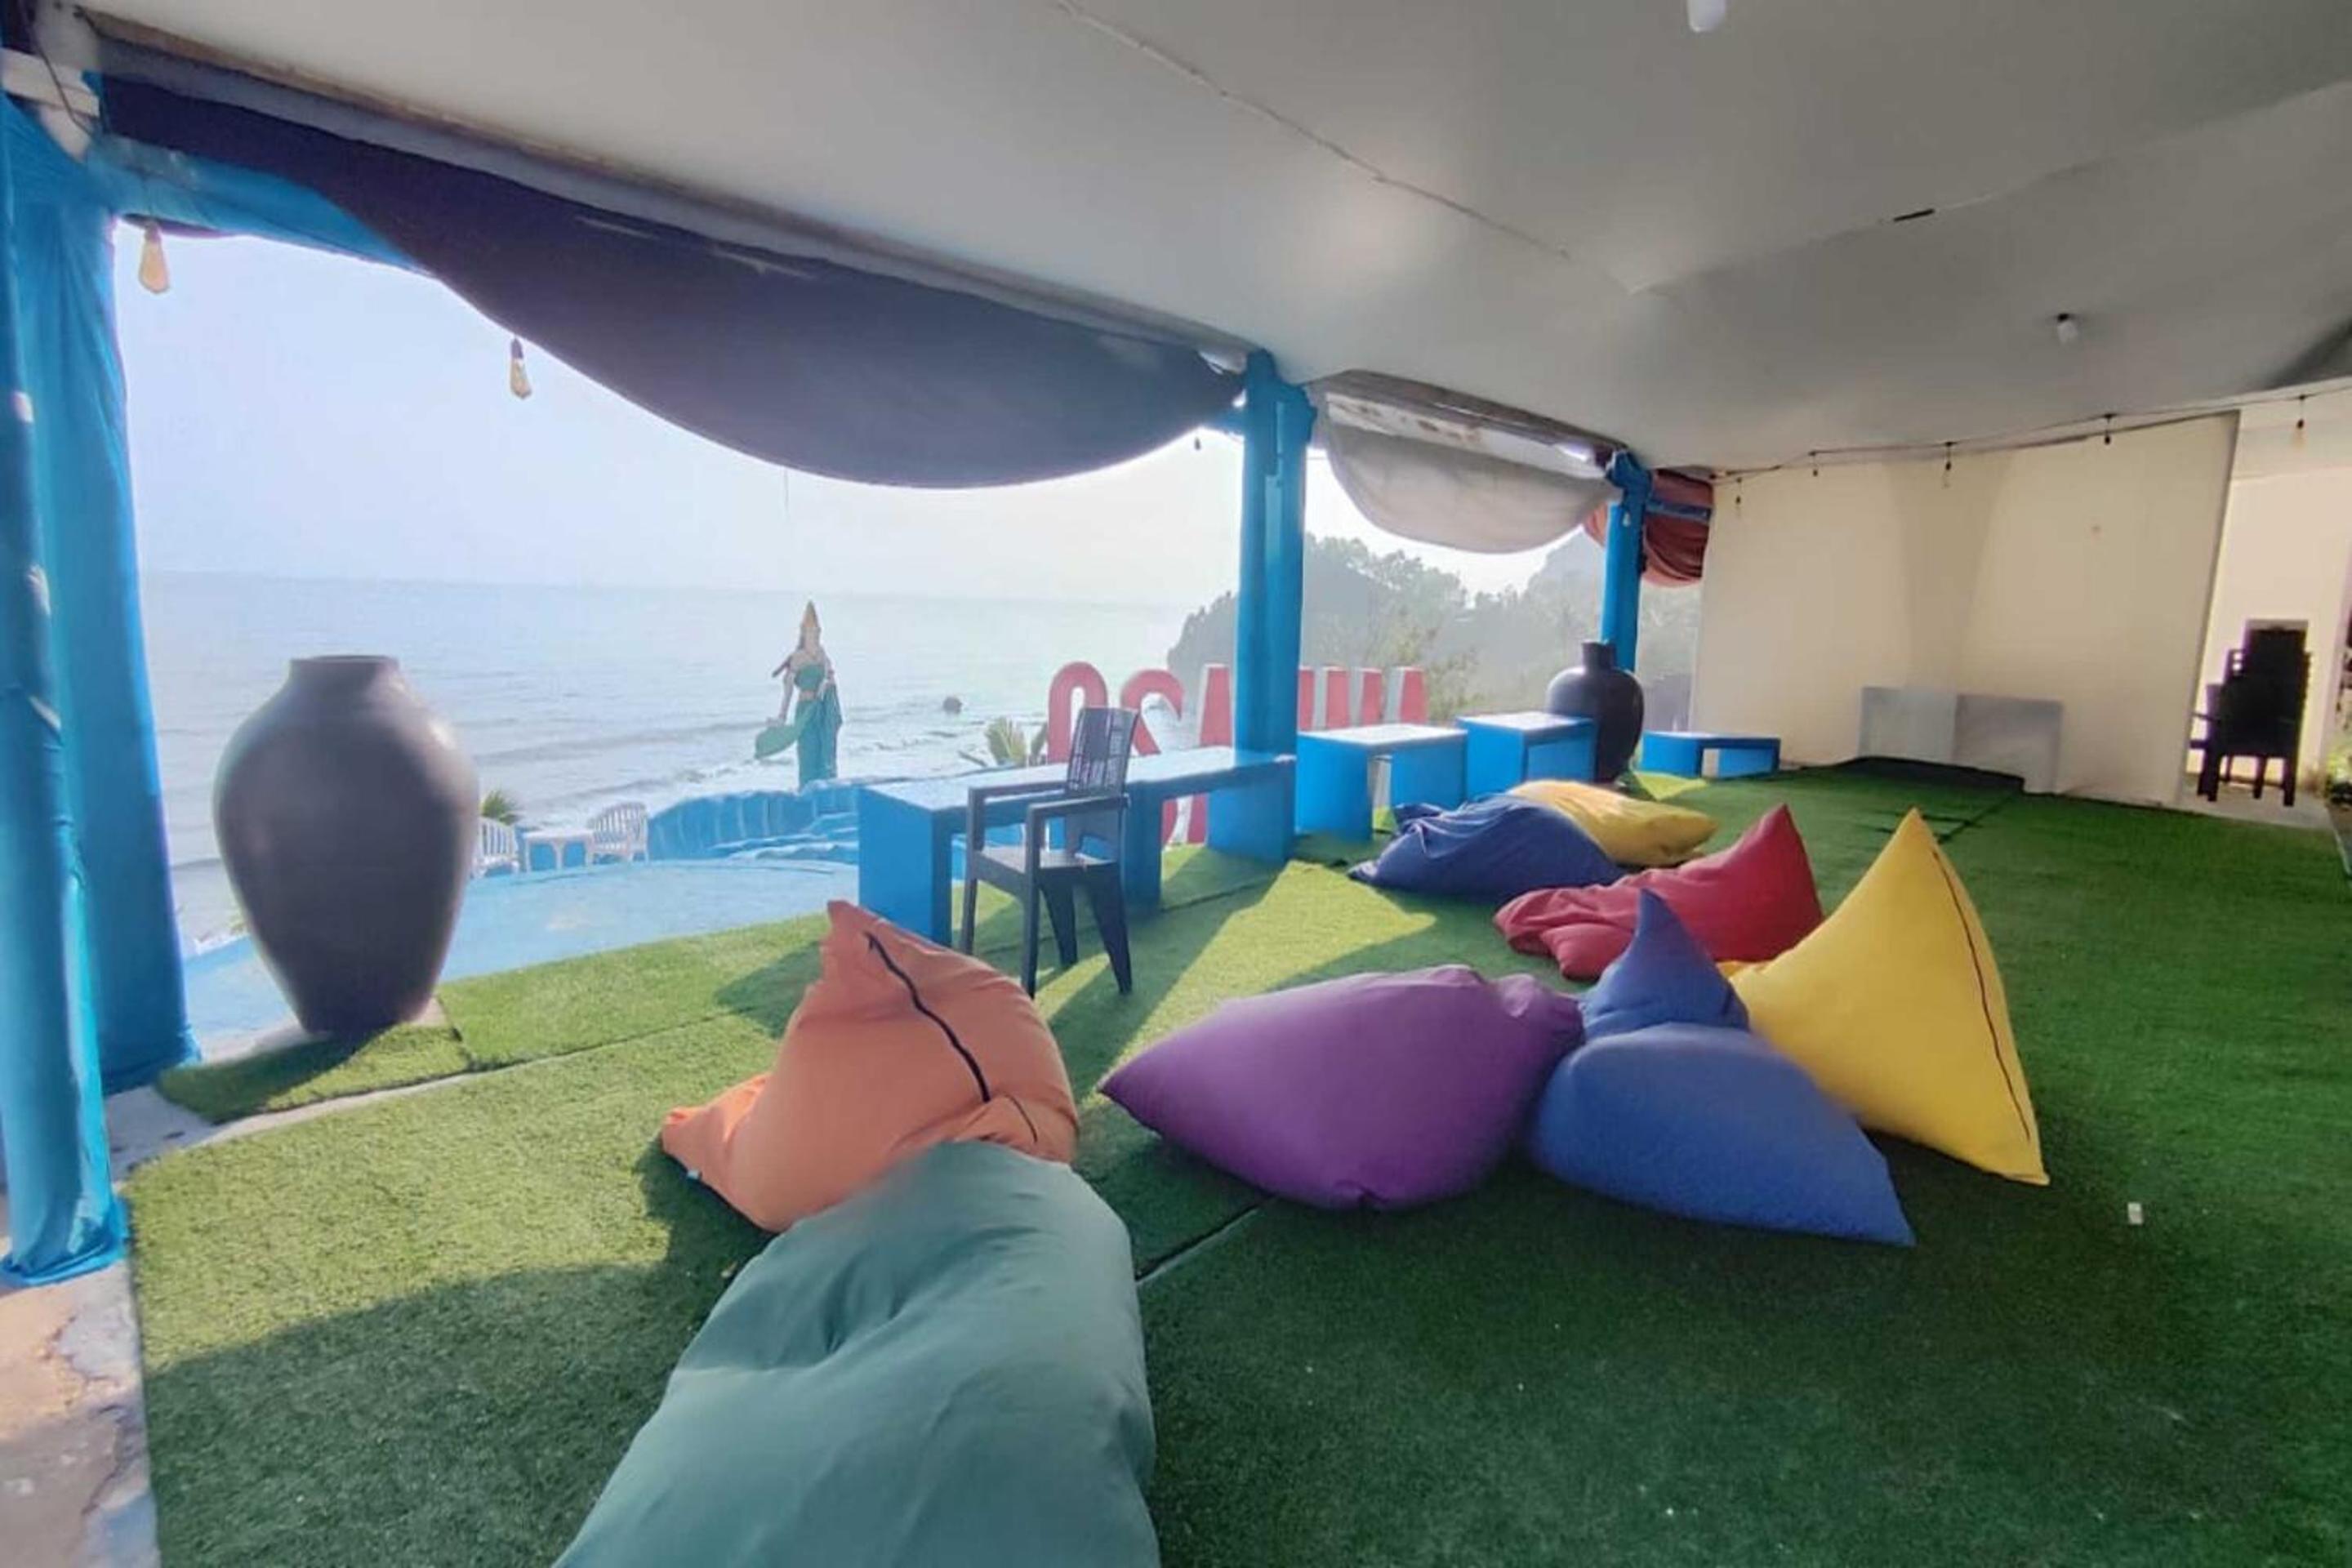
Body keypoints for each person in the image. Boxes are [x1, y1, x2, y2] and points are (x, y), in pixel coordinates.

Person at [768, 601, 843, 786]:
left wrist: (827, 683)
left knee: (824, 753)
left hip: (822, 711)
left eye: (818, 631)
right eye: (812, 631)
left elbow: (830, 677)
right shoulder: (797, 657)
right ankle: (807, 791)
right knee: (808, 753)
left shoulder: (823, 655)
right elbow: (788, 690)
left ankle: (825, 791)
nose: (815, 635)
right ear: (804, 632)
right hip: (806, 711)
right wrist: (782, 716)